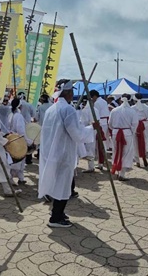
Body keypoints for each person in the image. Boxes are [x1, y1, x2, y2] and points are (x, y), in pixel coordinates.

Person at [39, 80, 97, 228]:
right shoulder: (68, 109)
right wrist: (91, 128)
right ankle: (55, 218)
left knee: (58, 184)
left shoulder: (52, 109)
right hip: (63, 153)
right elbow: (77, 134)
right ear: (69, 93)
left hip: (52, 152)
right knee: (63, 186)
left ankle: (58, 213)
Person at [109, 94, 139, 181]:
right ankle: (122, 174)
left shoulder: (114, 110)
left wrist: (115, 129)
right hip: (127, 133)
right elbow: (134, 124)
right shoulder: (132, 111)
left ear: (120, 100)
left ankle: (117, 170)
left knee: (116, 151)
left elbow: (110, 124)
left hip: (115, 132)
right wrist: (130, 132)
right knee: (126, 153)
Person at [9, 98, 33, 185]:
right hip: (19, 141)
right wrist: (28, 141)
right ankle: (11, 178)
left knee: (18, 161)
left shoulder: (11, 115)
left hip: (12, 140)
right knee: (18, 161)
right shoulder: (18, 116)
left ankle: (21, 178)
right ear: (20, 106)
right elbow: (21, 131)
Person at [85, 90, 110, 171]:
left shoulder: (96, 104)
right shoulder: (104, 101)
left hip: (97, 124)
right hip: (103, 123)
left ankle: (95, 164)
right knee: (101, 144)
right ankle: (101, 162)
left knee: (93, 146)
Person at [132, 93, 148, 167]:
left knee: (135, 143)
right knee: (145, 141)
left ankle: (137, 160)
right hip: (145, 125)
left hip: (135, 126)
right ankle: (144, 155)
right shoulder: (146, 107)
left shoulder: (132, 108)